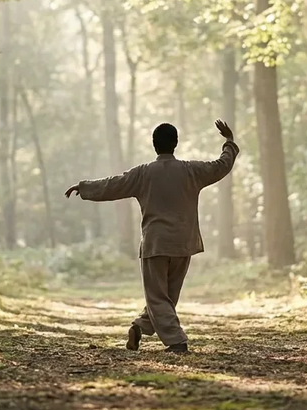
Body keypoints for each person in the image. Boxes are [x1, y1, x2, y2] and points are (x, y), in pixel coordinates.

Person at [65, 120, 239, 353]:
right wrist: (229, 142)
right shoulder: (191, 171)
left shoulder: (143, 173)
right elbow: (220, 166)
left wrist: (84, 188)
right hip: (183, 244)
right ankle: (140, 326)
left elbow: (113, 185)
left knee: (158, 297)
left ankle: (177, 341)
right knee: (166, 298)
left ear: (153, 144)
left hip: (156, 244)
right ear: (175, 143)